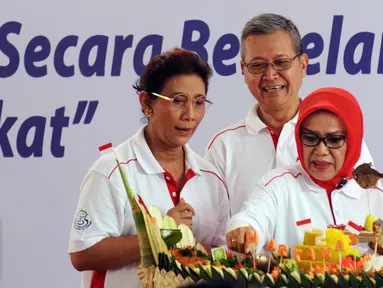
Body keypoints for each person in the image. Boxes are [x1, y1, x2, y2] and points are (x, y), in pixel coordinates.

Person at [68, 48, 230, 288]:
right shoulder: (113, 170)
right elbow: (83, 253)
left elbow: (220, 253)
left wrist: (204, 251)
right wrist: (163, 235)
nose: (190, 115)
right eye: (178, 101)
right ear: (146, 102)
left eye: (199, 102)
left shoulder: (210, 178)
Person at [204, 13, 374, 215]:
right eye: (258, 65)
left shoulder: (340, 138)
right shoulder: (224, 147)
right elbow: (212, 233)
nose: (270, 75)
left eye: (281, 62)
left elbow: (366, 211)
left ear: (303, 64)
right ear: (243, 70)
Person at [225, 87, 383, 255]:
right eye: (310, 138)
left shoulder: (373, 193)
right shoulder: (279, 186)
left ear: (353, 142)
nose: (321, 150)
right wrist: (242, 229)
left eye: (334, 139)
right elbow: (252, 218)